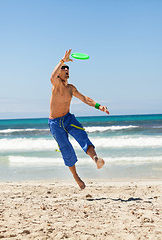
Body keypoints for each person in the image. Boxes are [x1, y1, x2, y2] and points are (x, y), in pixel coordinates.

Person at [48, 49, 109, 189]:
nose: (67, 71)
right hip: (55, 124)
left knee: (83, 136)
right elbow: (52, 77)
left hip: (68, 119)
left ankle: (96, 159)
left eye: (68, 70)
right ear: (59, 73)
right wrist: (62, 60)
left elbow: (85, 99)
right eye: (64, 70)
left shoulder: (71, 88)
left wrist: (99, 106)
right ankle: (76, 177)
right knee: (66, 150)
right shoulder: (56, 86)